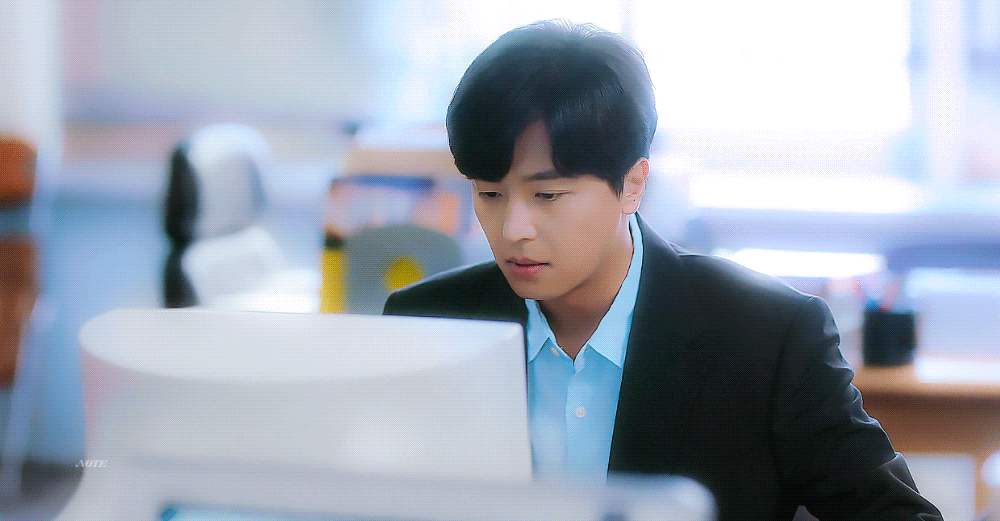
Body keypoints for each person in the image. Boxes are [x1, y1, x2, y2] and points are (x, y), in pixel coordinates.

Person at [383, 20, 942, 521]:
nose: (514, 229)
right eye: (489, 194)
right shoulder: (426, 324)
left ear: (632, 184)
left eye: (548, 195)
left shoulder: (766, 338)